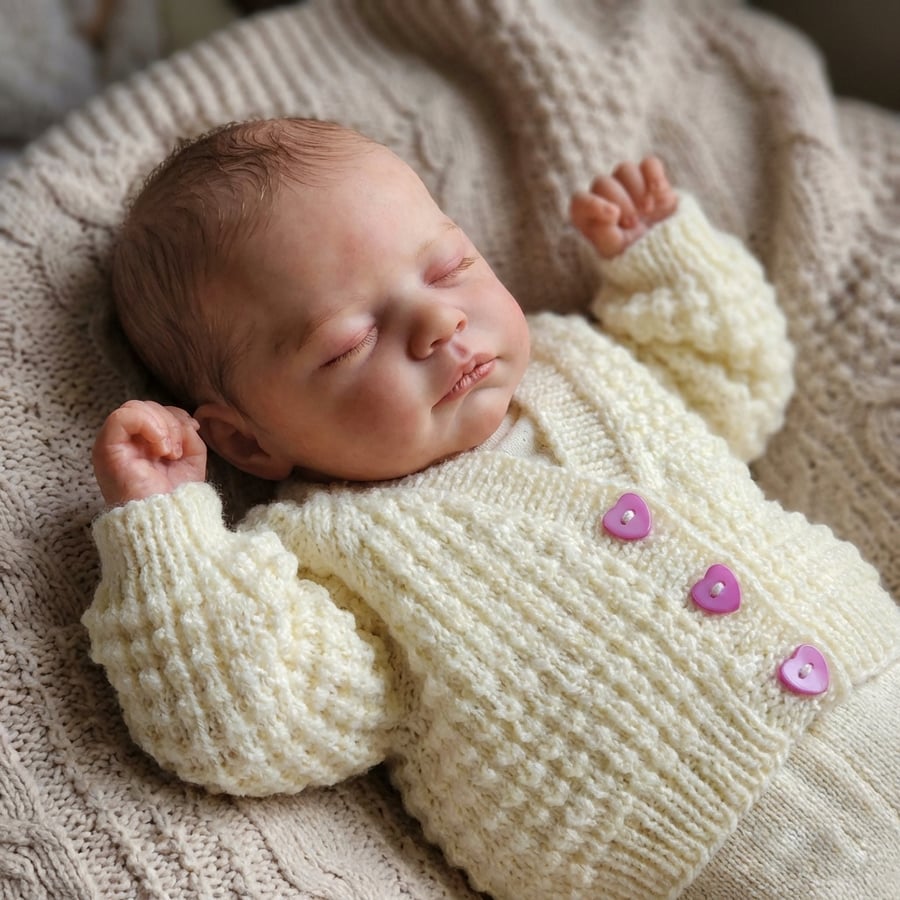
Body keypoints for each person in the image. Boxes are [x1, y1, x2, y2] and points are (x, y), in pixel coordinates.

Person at [83, 118, 900, 900]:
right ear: (250, 443)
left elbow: (730, 380)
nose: (439, 320)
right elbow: (244, 715)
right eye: (348, 344)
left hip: (878, 679)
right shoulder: (330, 555)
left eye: (447, 269)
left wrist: (666, 262)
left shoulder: (577, 359)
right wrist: (166, 529)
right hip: (701, 860)